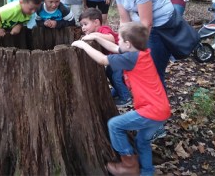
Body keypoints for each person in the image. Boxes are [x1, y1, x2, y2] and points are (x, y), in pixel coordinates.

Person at [72, 22, 171, 176]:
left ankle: (128, 164)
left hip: (151, 110)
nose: (117, 41)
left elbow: (103, 60)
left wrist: (83, 46)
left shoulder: (131, 58)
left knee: (115, 125)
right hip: (162, 109)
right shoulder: (140, 53)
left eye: (120, 39)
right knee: (142, 141)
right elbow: (115, 49)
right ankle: (147, 172)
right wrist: (96, 38)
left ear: (128, 43)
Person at [101, 0, 174, 89]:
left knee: (153, 70)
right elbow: (125, 21)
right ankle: (126, 93)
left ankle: (157, 106)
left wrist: (135, 50)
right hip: (141, 25)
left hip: (163, 27)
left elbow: (147, 23)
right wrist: (123, 44)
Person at [79, 8, 131, 107]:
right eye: (82, 25)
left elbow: (111, 39)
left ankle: (126, 97)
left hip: (121, 56)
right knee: (109, 73)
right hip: (114, 58)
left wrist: (95, 35)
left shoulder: (103, 29)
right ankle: (117, 91)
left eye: (85, 24)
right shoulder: (95, 33)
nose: (83, 28)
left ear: (96, 22)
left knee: (116, 76)